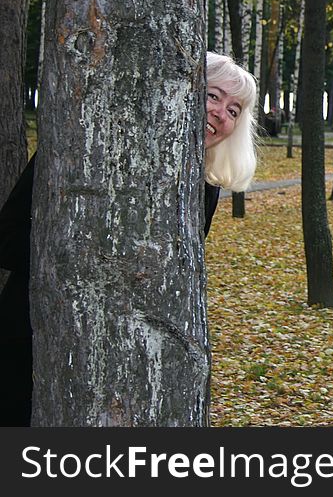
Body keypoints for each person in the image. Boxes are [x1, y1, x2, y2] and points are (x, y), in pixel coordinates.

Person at [0, 51, 257, 426]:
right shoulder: (82, 147)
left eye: (235, 110)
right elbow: (6, 236)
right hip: (33, 335)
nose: (221, 114)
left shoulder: (204, 190)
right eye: (213, 96)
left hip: (127, 362)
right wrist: (90, 268)